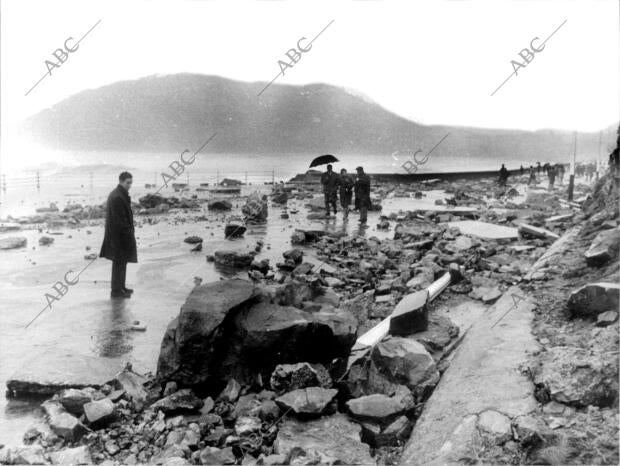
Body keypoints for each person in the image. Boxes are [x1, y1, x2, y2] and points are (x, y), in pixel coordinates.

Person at [100, 172, 137, 298]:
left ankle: (121, 287)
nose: (129, 185)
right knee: (119, 262)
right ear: (121, 181)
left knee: (122, 261)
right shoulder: (117, 196)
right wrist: (128, 232)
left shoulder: (119, 194)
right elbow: (120, 220)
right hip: (118, 237)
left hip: (118, 235)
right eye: (128, 182)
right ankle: (116, 291)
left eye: (131, 182)